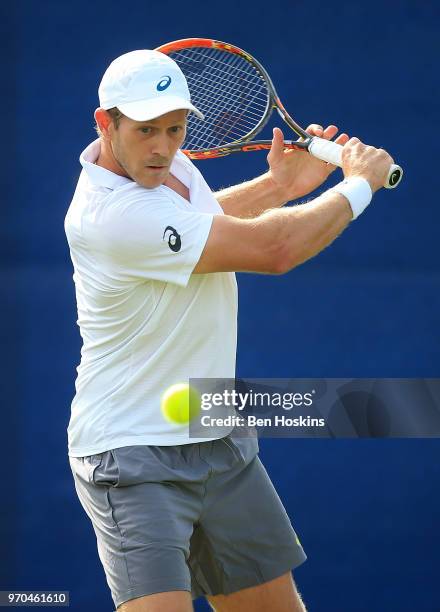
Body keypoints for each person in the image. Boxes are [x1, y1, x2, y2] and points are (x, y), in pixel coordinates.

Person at [65, 49, 393, 612]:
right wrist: (356, 186)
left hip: (215, 436)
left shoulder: (165, 166)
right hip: (132, 456)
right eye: (146, 131)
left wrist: (277, 187)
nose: (164, 146)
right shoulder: (108, 216)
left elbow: (198, 221)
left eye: (175, 128)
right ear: (105, 122)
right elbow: (276, 249)